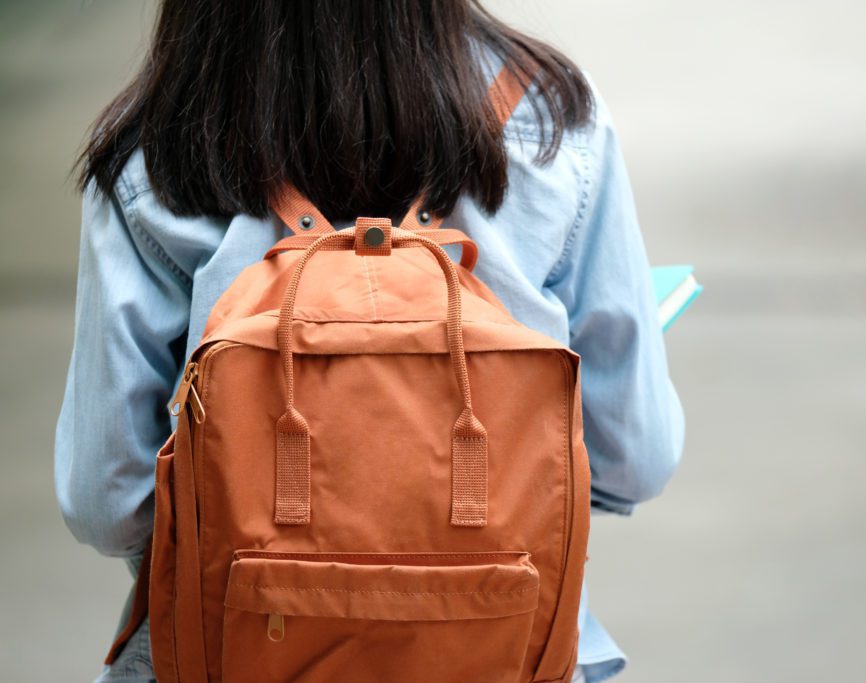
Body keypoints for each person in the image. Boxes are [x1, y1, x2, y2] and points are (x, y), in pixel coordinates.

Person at [55, 2, 684, 681]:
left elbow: (107, 499)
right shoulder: (555, 121)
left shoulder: (156, 143)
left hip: (235, 649)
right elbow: (634, 457)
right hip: (502, 647)